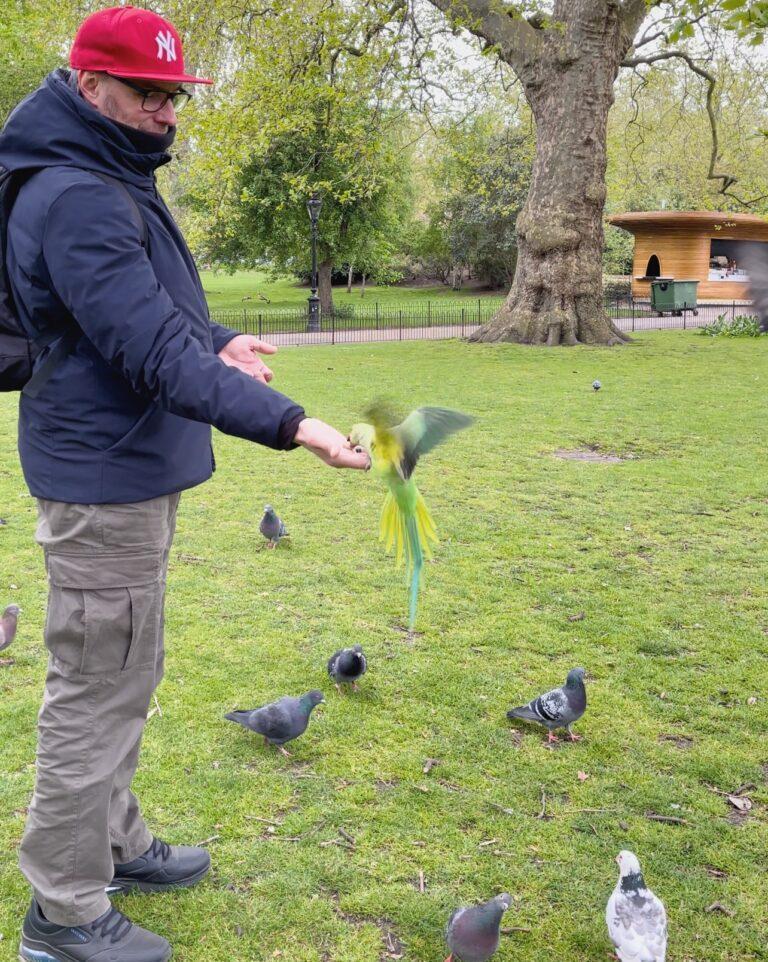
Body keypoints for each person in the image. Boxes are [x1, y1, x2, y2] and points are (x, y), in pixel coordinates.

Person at [0, 7, 369, 961]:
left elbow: (142, 319)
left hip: (121, 467)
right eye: (146, 93)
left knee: (126, 676)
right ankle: (64, 912)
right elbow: (149, 349)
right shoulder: (79, 193)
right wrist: (297, 425)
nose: (167, 112)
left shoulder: (106, 169)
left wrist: (219, 341)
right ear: (91, 87)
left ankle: (113, 846)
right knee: (95, 691)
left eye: (175, 94)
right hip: (102, 482)